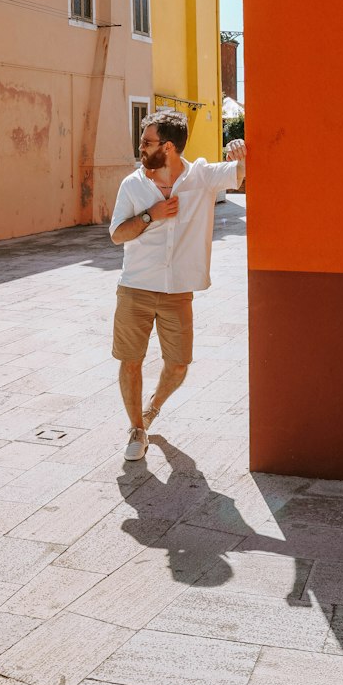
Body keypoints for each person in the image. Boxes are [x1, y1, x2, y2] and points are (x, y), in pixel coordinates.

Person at [109, 109, 246, 461]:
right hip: (135, 287)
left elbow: (242, 171)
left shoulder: (200, 177)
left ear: (168, 147)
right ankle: (137, 428)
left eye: (147, 141)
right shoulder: (133, 184)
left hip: (177, 292)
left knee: (179, 364)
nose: (141, 147)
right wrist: (149, 215)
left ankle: (152, 408)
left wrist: (240, 148)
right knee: (130, 360)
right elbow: (116, 235)